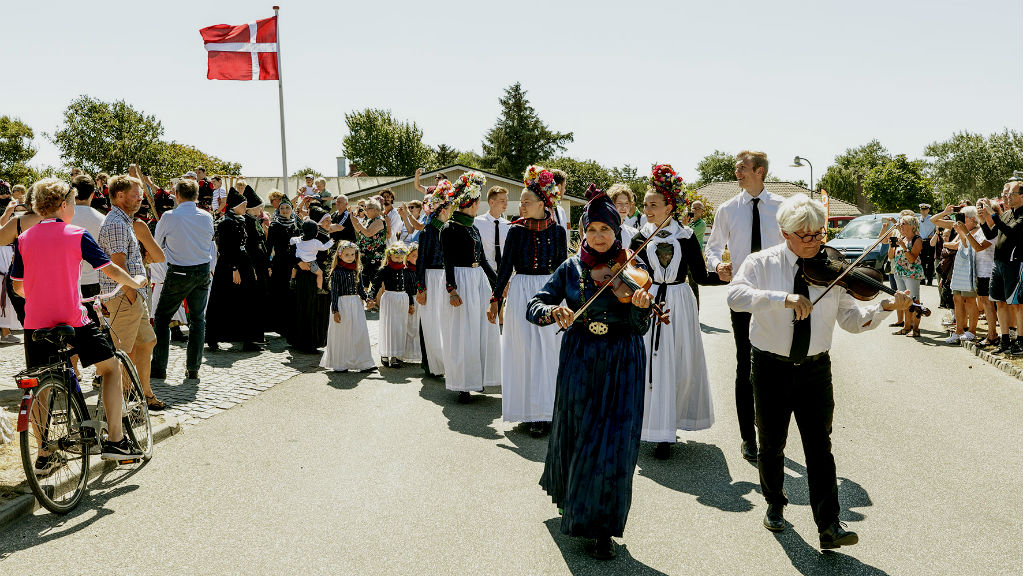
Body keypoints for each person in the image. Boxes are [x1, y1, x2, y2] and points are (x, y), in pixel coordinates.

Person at [727, 193, 912, 549]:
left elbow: (852, 321)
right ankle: (775, 504)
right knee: (771, 444)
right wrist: (783, 298)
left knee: (820, 448)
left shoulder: (835, 268)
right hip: (770, 367)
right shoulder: (760, 263)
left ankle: (829, 525)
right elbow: (736, 296)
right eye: (806, 236)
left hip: (815, 370)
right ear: (785, 233)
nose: (815, 242)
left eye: (819, 234)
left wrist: (886, 305)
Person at [526, 183, 652, 560]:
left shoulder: (634, 267)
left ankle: (603, 529)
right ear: (583, 231)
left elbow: (641, 326)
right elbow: (535, 302)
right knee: (577, 430)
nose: (598, 238)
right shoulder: (570, 267)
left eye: (606, 230)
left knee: (613, 441)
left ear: (617, 232)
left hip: (621, 360)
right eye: (592, 230)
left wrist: (641, 306)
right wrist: (553, 312)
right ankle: (575, 502)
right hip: (580, 355)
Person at [11, 177, 150, 463]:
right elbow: (109, 269)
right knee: (110, 368)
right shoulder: (76, 233)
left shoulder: (24, 238)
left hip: (35, 323)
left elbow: (17, 286)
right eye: (73, 202)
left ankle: (43, 454)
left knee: (39, 383)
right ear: (63, 205)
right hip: (72, 319)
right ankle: (116, 441)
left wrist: (39, 294)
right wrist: (135, 283)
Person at [630, 164, 718, 459]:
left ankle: (667, 429)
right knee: (647, 363)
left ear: (670, 205)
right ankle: (649, 425)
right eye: (644, 204)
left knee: (675, 363)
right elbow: (629, 274)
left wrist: (725, 273)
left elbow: (702, 276)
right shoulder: (639, 237)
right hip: (648, 299)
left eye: (652, 204)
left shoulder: (686, 236)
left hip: (678, 302)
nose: (647, 209)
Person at [703, 150, 785, 462]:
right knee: (745, 365)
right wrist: (716, 265)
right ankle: (748, 438)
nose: (737, 173)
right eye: (736, 168)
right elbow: (712, 248)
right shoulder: (727, 209)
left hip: (778, 298)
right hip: (742, 296)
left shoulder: (782, 207)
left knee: (775, 363)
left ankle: (770, 430)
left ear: (759, 171)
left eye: (742, 168)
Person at [488, 166, 567, 437]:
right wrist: (495, 299)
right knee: (522, 350)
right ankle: (526, 411)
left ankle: (545, 412)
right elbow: (505, 267)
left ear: (543, 202)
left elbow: (562, 267)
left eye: (526, 201)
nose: (521, 206)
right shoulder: (516, 231)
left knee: (546, 352)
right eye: (520, 201)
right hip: (521, 291)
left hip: (547, 292)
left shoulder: (557, 231)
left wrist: (566, 301)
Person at [98, 174, 166, 411]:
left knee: (147, 342)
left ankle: (143, 393)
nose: (140, 199)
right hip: (124, 295)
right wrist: (130, 294)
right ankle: (121, 401)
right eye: (135, 195)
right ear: (119, 195)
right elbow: (117, 265)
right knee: (122, 351)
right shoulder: (116, 223)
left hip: (132, 294)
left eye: (140, 196)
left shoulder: (125, 221)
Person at [441, 171, 499, 403]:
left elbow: (484, 260)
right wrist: (451, 289)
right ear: (472, 203)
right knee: (463, 332)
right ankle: (463, 384)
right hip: (462, 282)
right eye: (477, 203)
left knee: (480, 330)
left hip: (478, 281)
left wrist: (499, 283)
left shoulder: (473, 228)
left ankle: (479, 378)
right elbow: (448, 261)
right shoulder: (450, 229)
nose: (478, 207)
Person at [151, 178, 216, 381]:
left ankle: (160, 368)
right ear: (196, 196)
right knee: (198, 320)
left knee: (162, 319)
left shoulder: (169, 216)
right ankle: (193, 368)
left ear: (176, 196)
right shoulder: (206, 217)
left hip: (179, 270)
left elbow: (157, 244)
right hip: (202, 269)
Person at [206, 187, 262, 351]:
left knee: (245, 302)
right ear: (235, 206)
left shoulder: (241, 220)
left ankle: (247, 339)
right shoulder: (225, 223)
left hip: (243, 263)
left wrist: (250, 267)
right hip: (229, 266)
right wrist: (234, 268)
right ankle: (213, 338)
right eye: (243, 205)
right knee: (222, 302)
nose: (245, 208)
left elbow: (244, 247)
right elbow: (224, 248)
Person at [415, 181, 454, 378]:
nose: (450, 211)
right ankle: (431, 363)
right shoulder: (428, 232)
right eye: (448, 207)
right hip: (431, 276)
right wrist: (421, 288)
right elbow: (421, 261)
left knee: (444, 321)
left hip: (445, 276)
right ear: (441, 209)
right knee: (430, 321)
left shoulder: (449, 230)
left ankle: (446, 361)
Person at [979, 182, 1023, 356]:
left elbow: (1012, 232)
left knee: (1018, 304)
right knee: (999, 302)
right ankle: (1004, 340)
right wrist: (983, 220)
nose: (1007, 197)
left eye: (1011, 194)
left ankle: (1020, 341)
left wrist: (992, 214)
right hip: (998, 264)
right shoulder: (1005, 215)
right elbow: (992, 234)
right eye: (1007, 194)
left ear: (1022, 196)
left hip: (1014, 264)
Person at [320, 241, 374, 372]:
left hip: (355, 304)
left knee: (359, 331)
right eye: (346, 254)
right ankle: (341, 363)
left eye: (352, 254)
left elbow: (360, 289)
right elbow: (334, 292)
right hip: (342, 304)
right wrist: (335, 310)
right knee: (343, 333)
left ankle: (363, 362)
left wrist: (367, 299)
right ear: (340, 255)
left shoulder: (357, 269)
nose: (350, 257)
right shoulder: (336, 272)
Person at [368, 242, 414, 367]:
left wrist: (411, 303)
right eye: (396, 257)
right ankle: (385, 353)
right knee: (388, 326)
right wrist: (370, 297)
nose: (399, 260)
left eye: (401, 257)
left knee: (400, 327)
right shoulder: (385, 270)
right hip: (389, 298)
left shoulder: (406, 270)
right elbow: (376, 284)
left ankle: (395, 355)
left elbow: (409, 288)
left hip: (403, 298)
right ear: (390, 257)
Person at [888, 214, 925, 338]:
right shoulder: (901, 238)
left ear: (912, 226)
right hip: (899, 273)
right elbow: (892, 256)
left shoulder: (917, 239)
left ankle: (916, 329)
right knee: (904, 301)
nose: (900, 225)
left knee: (914, 301)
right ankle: (906, 327)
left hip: (912, 274)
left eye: (903, 223)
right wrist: (891, 246)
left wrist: (903, 247)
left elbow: (912, 259)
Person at [267, 198, 300, 336]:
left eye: (287, 208)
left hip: (293, 263)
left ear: (291, 210)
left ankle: (290, 325)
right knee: (279, 293)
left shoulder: (296, 225)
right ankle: (278, 326)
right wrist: (268, 264)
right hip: (279, 262)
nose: (285, 211)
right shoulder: (274, 225)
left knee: (291, 293)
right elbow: (269, 246)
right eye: (282, 209)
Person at [351, 198, 387, 291]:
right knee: (364, 280)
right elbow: (359, 231)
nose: (365, 211)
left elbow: (368, 233)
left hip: (375, 257)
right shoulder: (369, 220)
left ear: (375, 209)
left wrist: (357, 222)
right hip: (366, 256)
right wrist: (353, 219)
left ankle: (376, 303)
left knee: (375, 282)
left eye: (367, 208)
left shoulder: (379, 220)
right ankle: (365, 301)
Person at [290, 221, 333, 293]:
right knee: (320, 274)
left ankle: (292, 280)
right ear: (316, 233)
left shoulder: (298, 239)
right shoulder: (316, 242)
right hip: (311, 263)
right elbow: (324, 247)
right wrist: (331, 242)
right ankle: (319, 289)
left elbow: (291, 241)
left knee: (294, 268)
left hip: (299, 262)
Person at [401, 243, 422, 364]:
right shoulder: (406, 271)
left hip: (421, 301)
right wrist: (410, 303)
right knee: (410, 327)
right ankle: (407, 353)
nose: (417, 259)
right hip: (411, 301)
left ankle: (418, 354)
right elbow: (407, 289)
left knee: (418, 327)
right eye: (414, 256)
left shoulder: (421, 271)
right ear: (408, 257)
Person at [687, 200, 709, 309]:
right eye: (693, 208)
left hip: (694, 257)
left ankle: (696, 311)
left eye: (697, 208)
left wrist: (683, 225)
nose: (694, 210)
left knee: (693, 285)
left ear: (702, 211)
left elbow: (688, 234)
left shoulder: (701, 224)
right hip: (685, 255)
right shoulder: (689, 222)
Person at [918, 203, 936, 284]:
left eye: (925, 210)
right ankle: (922, 279)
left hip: (929, 241)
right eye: (922, 209)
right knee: (921, 261)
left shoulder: (932, 218)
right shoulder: (918, 219)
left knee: (930, 261)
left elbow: (937, 228)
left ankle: (929, 279)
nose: (923, 211)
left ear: (928, 210)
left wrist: (933, 235)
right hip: (921, 241)